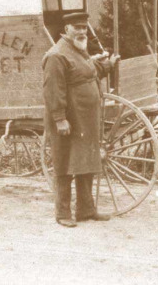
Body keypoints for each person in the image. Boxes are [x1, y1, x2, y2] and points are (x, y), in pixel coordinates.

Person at [42, 12, 119, 228]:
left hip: (87, 119)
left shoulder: (79, 50)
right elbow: (52, 91)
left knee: (86, 161)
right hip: (69, 119)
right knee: (65, 164)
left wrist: (108, 65)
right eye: (77, 27)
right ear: (66, 30)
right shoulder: (56, 55)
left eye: (84, 27)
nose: (82, 31)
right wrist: (59, 119)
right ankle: (63, 213)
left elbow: (89, 73)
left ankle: (86, 210)